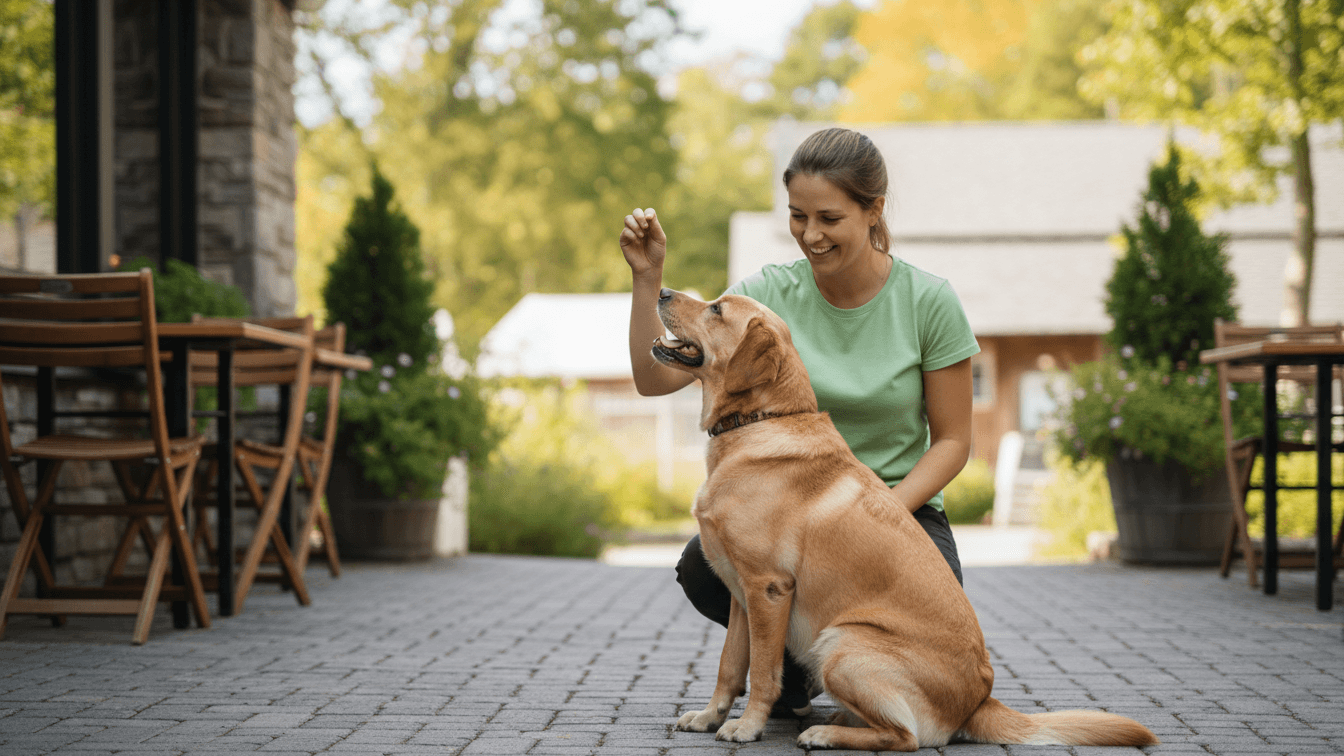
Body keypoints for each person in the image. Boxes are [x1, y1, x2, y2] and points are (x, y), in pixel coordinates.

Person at [619, 127, 979, 717]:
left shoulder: (928, 301)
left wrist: (883, 512)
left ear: (873, 212)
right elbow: (653, 379)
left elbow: (955, 441)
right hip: (788, 517)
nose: (811, 235)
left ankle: (844, 672)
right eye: (797, 216)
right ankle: (797, 673)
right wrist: (646, 279)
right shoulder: (768, 295)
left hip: (898, 513)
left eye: (830, 218)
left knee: (915, 621)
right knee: (703, 567)